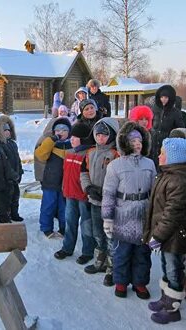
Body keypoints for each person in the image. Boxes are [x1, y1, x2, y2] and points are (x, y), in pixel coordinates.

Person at [143, 137, 186, 324]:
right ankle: (166, 298)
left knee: (173, 269)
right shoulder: (168, 175)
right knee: (167, 266)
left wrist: (158, 236)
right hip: (168, 235)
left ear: (174, 159)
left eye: (163, 154)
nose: (159, 156)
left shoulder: (178, 181)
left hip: (175, 235)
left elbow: (172, 214)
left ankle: (172, 308)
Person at [102, 122, 156, 299]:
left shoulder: (149, 163)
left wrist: (155, 216)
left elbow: (155, 191)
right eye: (133, 141)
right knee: (122, 252)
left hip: (144, 215)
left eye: (140, 140)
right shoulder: (115, 166)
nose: (137, 144)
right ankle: (121, 282)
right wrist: (108, 218)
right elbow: (108, 193)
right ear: (125, 142)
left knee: (142, 253)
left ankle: (140, 283)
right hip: (122, 215)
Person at [80, 117, 120, 285]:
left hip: (110, 203)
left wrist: (108, 193)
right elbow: (83, 172)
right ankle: (100, 260)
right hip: (94, 200)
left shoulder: (116, 154)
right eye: (98, 135)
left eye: (104, 135)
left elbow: (120, 178)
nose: (100, 138)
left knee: (110, 234)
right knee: (98, 232)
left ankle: (112, 267)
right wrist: (88, 188)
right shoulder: (90, 152)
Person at [54, 122, 96, 263]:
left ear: (83, 139)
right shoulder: (69, 153)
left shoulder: (89, 154)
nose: (71, 139)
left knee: (86, 225)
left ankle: (88, 251)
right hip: (70, 195)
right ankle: (67, 248)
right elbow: (65, 174)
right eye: (71, 137)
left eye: (75, 137)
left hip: (84, 197)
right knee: (70, 222)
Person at [34, 118, 72, 237]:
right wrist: (51, 140)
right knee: (48, 206)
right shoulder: (49, 143)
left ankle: (63, 228)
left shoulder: (72, 144)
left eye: (64, 130)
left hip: (66, 184)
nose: (61, 132)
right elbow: (40, 155)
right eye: (58, 130)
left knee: (64, 208)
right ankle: (46, 227)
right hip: (50, 181)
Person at [0, 115, 24, 222]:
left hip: (15, 177)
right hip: (6, 179)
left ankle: (14, 213)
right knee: (6, 199)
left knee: (16, 196)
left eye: (9, 130)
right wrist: (10, 175)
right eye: (4, 130)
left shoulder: (13, 144)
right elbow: (3, 164)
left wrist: (20, 171)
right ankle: (6, 216)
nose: (7, 132)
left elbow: (17, 158)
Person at [149, 84, 185, 168]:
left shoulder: (175, 112)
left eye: (166, 98)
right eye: (162, 97)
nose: (163, 100)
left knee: (163, 166)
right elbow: (149, 124)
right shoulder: (154, 109)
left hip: (167, 145)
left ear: (170, 98)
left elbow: (180, 129)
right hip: (153, 143)